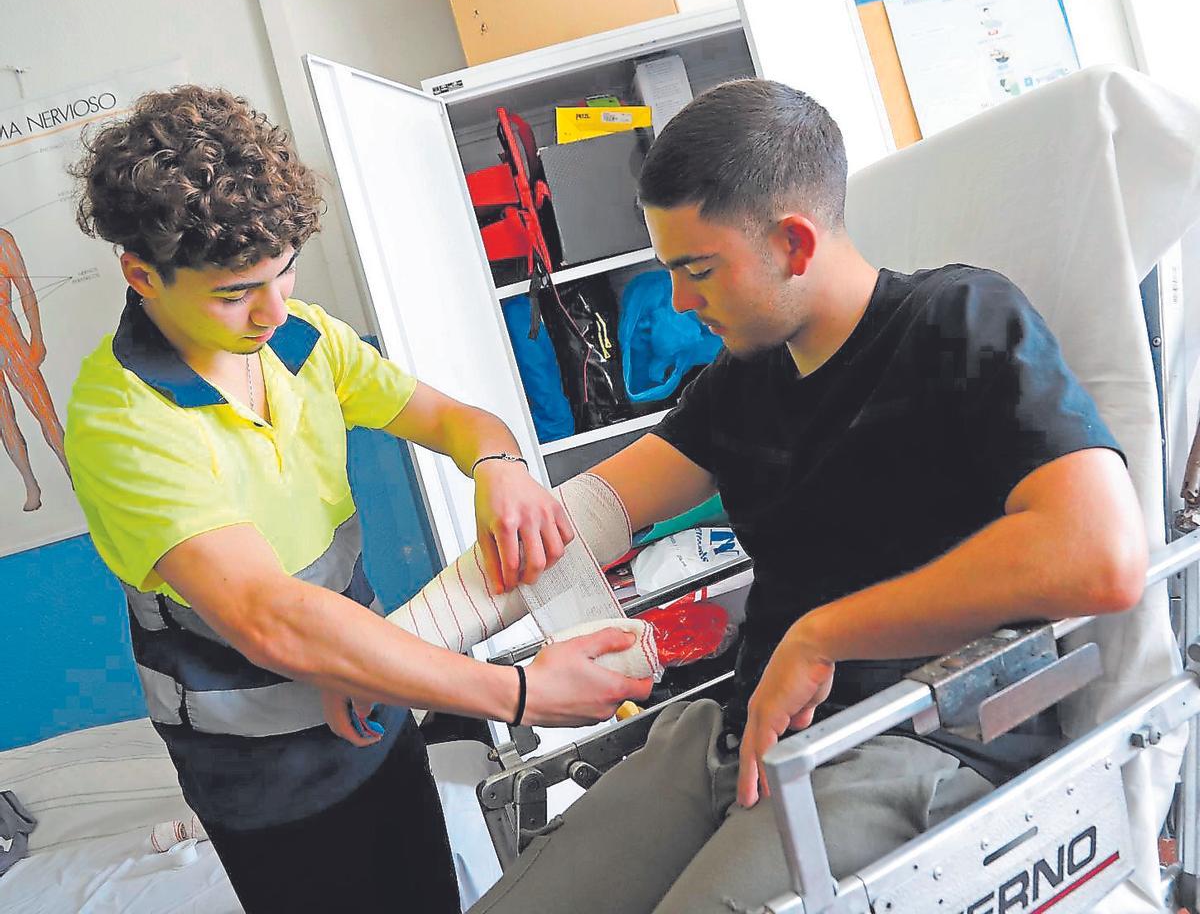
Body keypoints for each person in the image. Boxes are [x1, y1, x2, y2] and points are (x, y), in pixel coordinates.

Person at [468, 79, 1148, 914]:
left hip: (920, 742)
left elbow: (1101, 556)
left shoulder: (958, 322)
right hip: (745, 732)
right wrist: (412, 629)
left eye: (697, 269)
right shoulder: (741, 383)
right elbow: (568, 525)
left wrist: (825, 635)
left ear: (794, 244)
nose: (680, 301)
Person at [64, 85, 652, 914]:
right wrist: (519, 694)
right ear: (141, 275)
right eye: (236, 293)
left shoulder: (297, 338)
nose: (272, 310)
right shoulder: (122, 419)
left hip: (374, 699)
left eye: (283, 272)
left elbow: (455, 419)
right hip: (269, 778)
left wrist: (499, 469)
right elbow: (274, 619)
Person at [0, 228, 68, 512]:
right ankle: (31, 484)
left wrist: (37, 337)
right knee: (5, 422)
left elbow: (26, 289)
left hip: (10, 337)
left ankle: (73, 471)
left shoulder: (3, 241)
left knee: (43, 409)